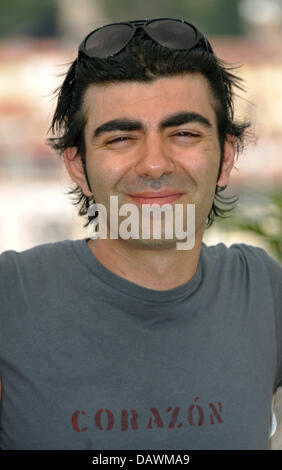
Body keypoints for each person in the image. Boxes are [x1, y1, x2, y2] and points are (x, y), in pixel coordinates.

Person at [0, 18, 281, 451]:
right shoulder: (10, 297)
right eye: (121, 138)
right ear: (79, 167)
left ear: (225, 157)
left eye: (184, 133)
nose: (154, 164)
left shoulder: (263, 290)